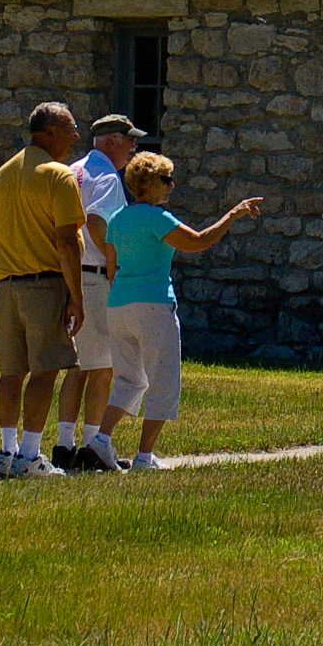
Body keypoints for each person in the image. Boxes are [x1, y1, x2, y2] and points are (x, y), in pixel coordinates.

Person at [96, 153, 261, 471]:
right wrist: (233, 214)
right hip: (154, 304)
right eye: (166, 179)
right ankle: (144, 458)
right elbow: (198, 242)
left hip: (118, 305)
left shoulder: (117, 219)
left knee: (128, 381)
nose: (172, 185)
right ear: (150, 183)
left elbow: (111, 269)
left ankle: (101, 440)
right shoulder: (158, 218)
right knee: (163, 382)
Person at [0, 101, 89, 480]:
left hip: (8, 287)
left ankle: (6, 451)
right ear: (48, 132)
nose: (76, 136)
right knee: (46, 370)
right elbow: (66, 241)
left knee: (11, 373)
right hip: (44, 284)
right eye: (70, 128)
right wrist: (77, 296)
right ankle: (30, 455)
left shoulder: (4, 172)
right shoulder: (58, 175)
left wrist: (3, 274)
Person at [55, 113, 147, 471]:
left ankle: (65, 444)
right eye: (130, 141)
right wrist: (114, 265)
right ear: (112, 142)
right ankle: (93, 448)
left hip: (73, 273)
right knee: (103, 368)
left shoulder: (75, 169)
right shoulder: (108, 176)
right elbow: (96, 222)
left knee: (80, 365)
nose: (133, 148)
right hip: (95, 277)